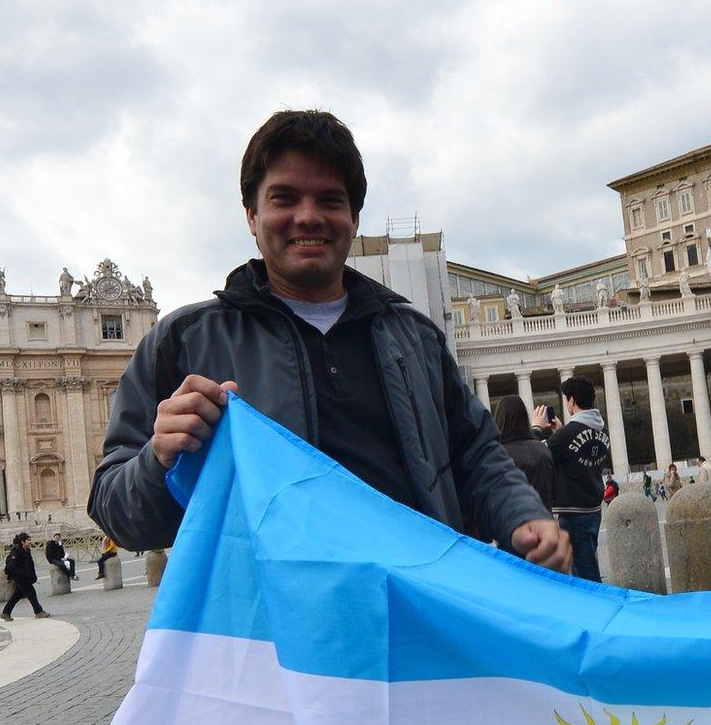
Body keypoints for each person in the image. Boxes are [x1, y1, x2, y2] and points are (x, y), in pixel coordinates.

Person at [89, 110, 568, 574]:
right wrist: (159, 459)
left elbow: (477, 454)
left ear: (354, 219)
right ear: (252, 215)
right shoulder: (181, 341)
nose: (309, 216)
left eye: (330, 200)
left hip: (413, 618)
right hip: (272, 641)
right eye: (284, 198)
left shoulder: (415, 337)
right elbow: (116, 512)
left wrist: (522, 516)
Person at [541, 375, 612, 583]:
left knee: (584, 573)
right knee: (587, 560)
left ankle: (598, 609)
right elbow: (580, 453)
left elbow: (539, 454)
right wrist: (560, 432)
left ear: (571, 400)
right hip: (593, 508)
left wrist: (537, 429)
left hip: (573, 511)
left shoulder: (568, 434)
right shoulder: (603, 429)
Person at [494, 395, 555, 510]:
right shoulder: (542, 449)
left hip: (514, 522)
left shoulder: (497, 456)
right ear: (525, 418)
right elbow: (554, 491)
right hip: (544, 518)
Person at [0, 532, 49, 621]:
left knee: (17, 595)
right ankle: (38, 612)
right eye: (28, 540)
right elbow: (12, 566)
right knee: (31, 593)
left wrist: (32, 576)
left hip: (26, 577)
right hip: (20, 577)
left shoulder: (27, 550)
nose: (30, 542)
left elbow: (29, 564)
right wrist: (22, 574)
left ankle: (6, 613)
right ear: (23, 542)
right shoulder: (16, 551)